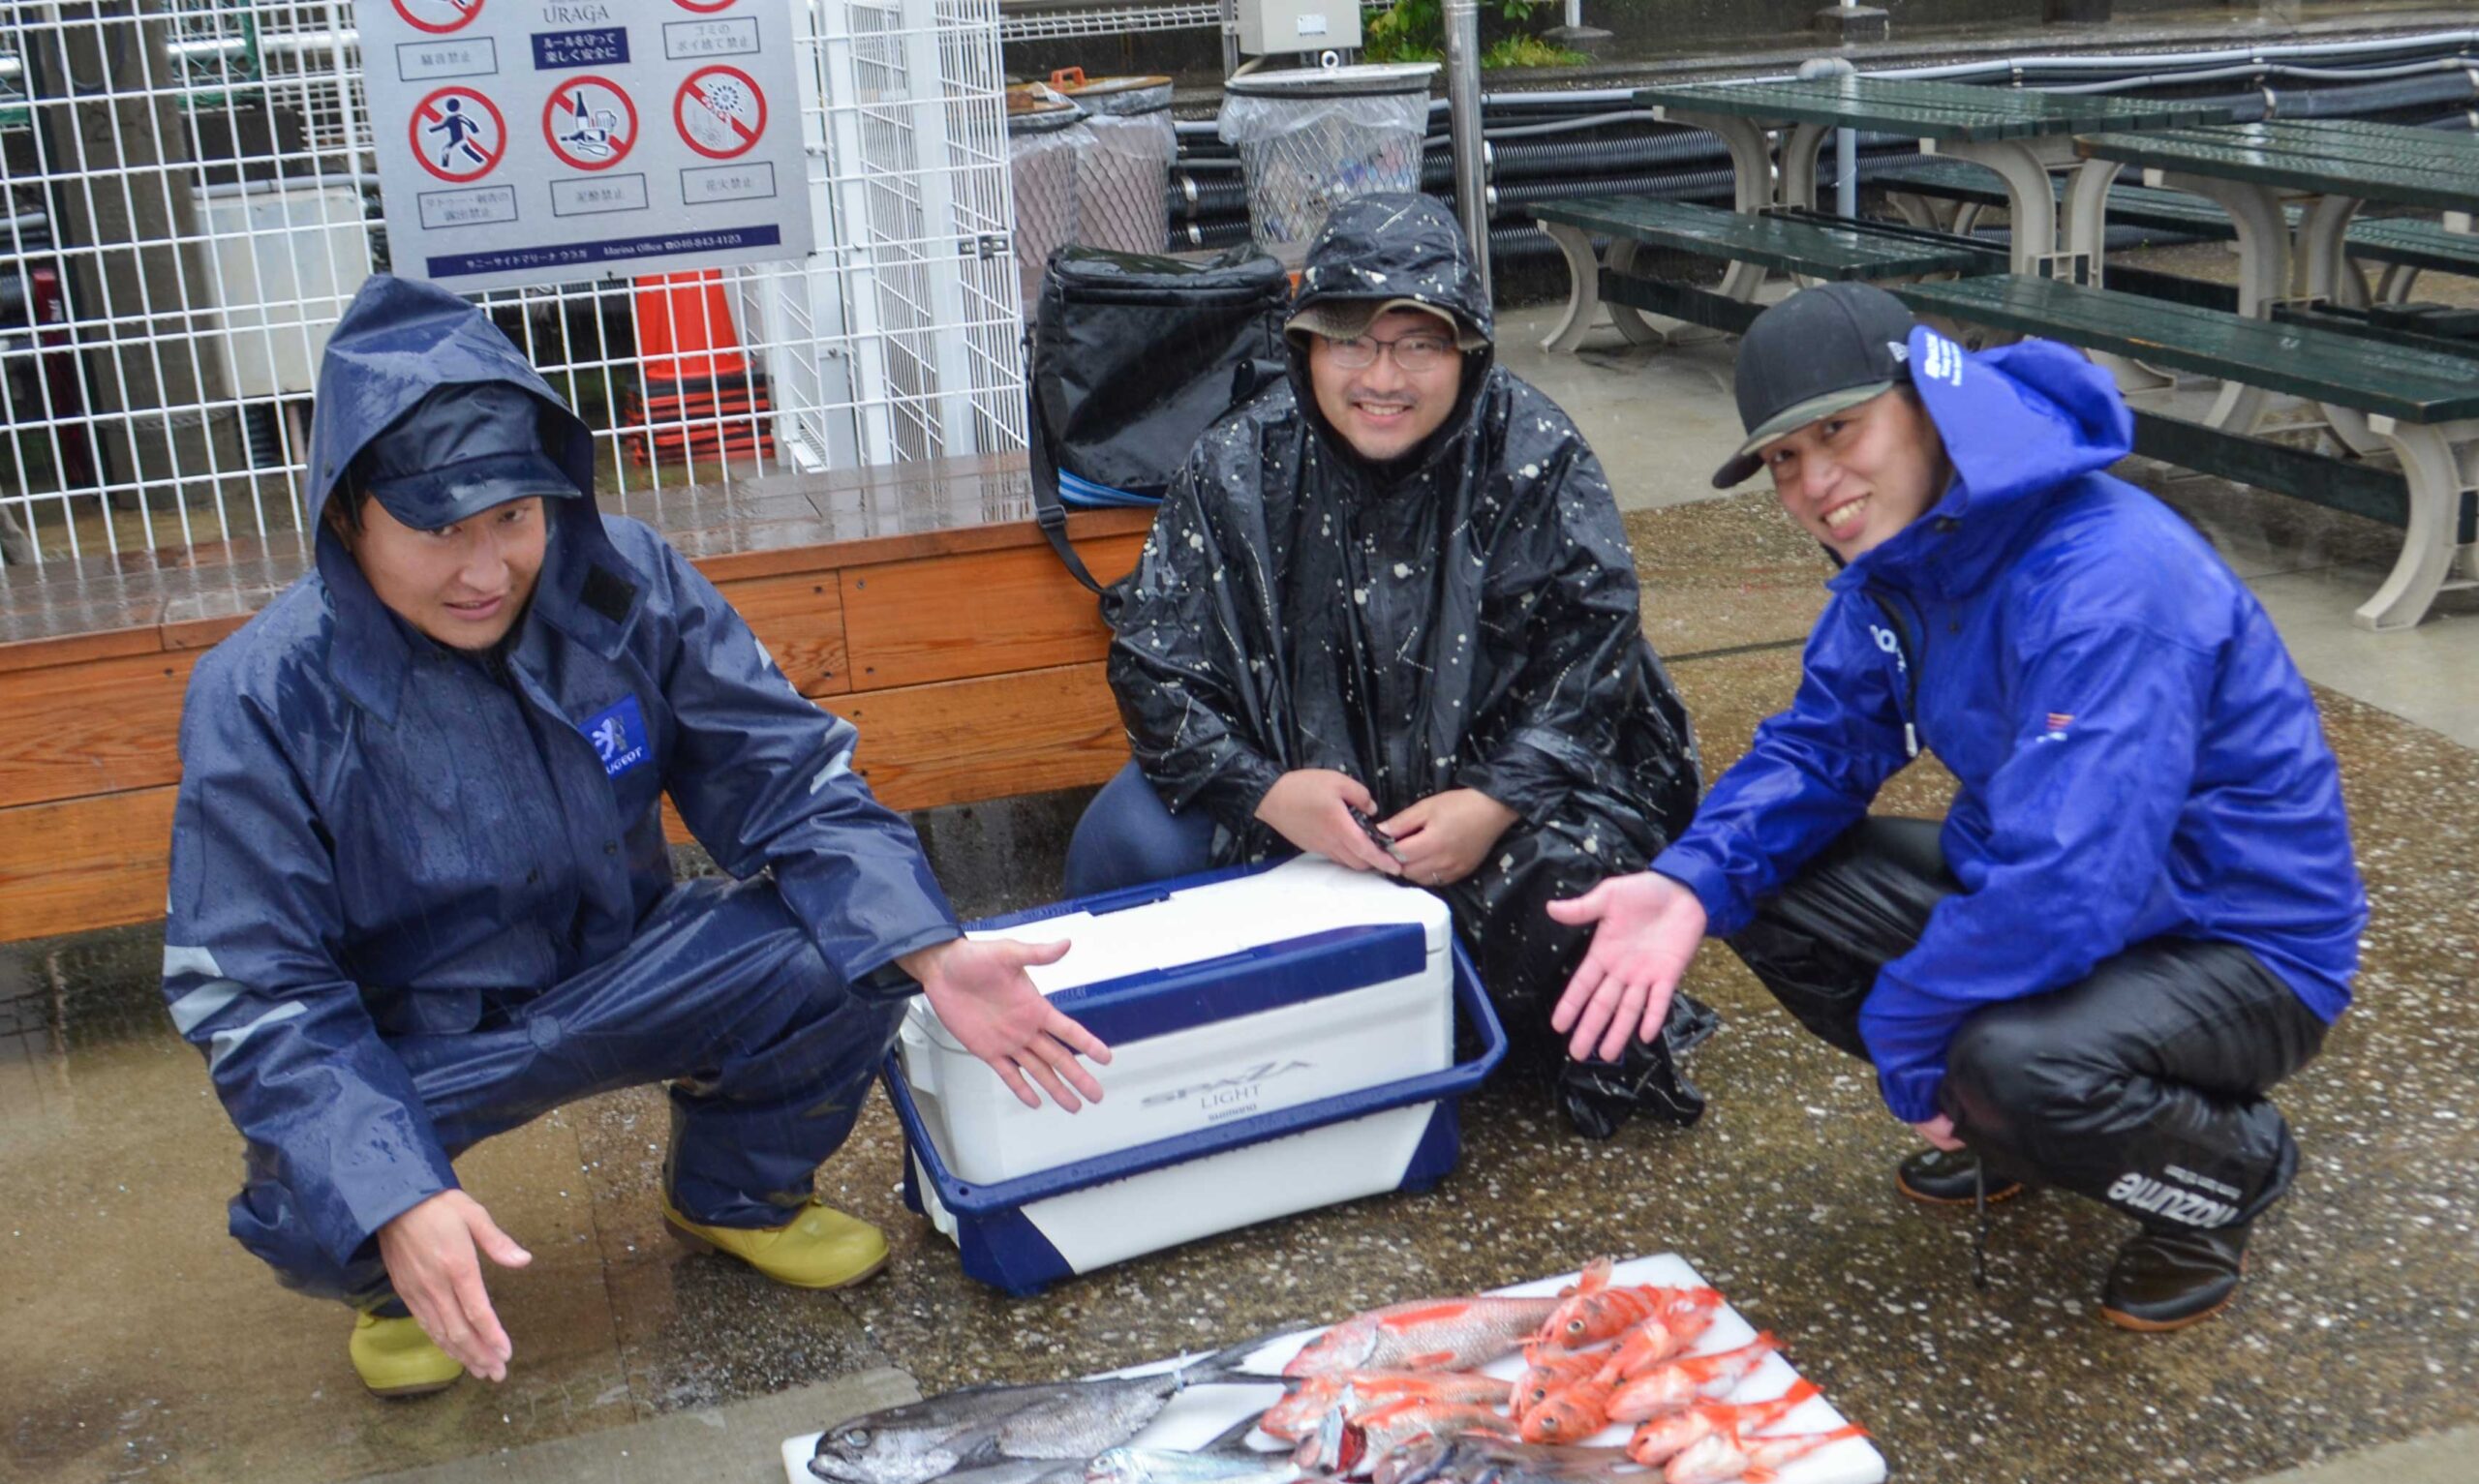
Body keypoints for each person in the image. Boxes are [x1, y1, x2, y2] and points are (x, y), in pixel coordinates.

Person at [165, 274, 1108, 1398]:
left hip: (629, 961)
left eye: (513, 516)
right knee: (313, 1189)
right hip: (415, 1035)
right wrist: (391, 1192)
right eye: (436, 529)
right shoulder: (261, 692)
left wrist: (931, 949)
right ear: (345, 514)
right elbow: (257, 985)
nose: (485, 570)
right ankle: (400, 1275)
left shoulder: (625, 580)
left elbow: (786, 773)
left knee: (846, 950)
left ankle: (732, 1194)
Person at [1551, 282, 2364, 1330]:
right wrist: (1687, 881)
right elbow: (1819, 746)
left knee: (2010, 1064)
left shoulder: (2110, 578)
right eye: (1783, 459)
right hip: (2081, 897)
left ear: (1928, 403)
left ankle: (2218, 1176)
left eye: (1839, 429)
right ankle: (2009, 1123)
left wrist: (1913, 1037)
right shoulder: (1909, 551)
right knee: (1760, 883)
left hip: (2243, 945)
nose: (1812, 483)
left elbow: (2067, 884)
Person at [1066, 193, 1707, 1137]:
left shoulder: (1534, 453)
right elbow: (1155, 665)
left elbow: (1595, 653)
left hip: (1497, 804)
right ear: (1306, 348)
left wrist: (1493, 804)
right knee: (1124, 842)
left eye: (1418, 344)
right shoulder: (1236, 461)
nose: (1382, 376)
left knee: (1587, 894)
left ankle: (1415, 1025)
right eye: (1350, 342)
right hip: (1306, 803)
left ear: (1468, 351)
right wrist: (1267, 791)